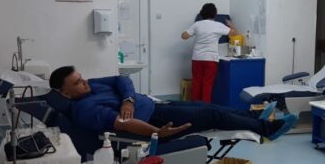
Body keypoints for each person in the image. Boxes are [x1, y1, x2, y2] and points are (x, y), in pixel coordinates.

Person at [48, 66, 296, 142]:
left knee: (206, 105)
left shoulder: (92, 85)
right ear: (65, 93)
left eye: (81, 77)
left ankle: (253, 116)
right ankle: (266, 129)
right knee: (212, 116)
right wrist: (157, 132)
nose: (84, 82)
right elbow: (124, 124)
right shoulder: (84, 109)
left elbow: (121, 79)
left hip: (156, 106)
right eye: (77, 83)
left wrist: (128, 99)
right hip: (155, 121)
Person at [181, 3, 236, 102]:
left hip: (197, 58)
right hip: (211, 59)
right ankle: (205, 107)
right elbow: (233, 34)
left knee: (196, 82)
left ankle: (194, 106)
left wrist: (192, 32)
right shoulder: (218, 25)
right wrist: (230, 25)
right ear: (215, 14)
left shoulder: (197, 24)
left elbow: (184, 36)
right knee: (208, 84)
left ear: (202, 13)